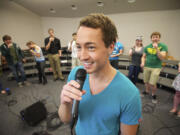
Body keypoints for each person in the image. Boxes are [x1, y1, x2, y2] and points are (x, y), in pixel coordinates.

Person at [58, 13, 141, 135]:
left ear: (111, 47)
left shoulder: (129, 93)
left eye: (91, 47)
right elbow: (65, 119)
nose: (82, 56)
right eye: (79, 47)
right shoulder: (76, 74)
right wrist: (65, 104)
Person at [141, 32, 168, 104]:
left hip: (156, 67)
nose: (155, 38)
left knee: (152, 83)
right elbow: (143, 56)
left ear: (159, 38)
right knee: (146, 81)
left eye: (157, 37)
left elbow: (162, 58)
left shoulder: (163, 46)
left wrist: (157, 49)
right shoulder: (147, 47)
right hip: (147, 66)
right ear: (151, 38)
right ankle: (147, 91)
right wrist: (143, 62)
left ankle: (153, 95)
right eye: (153, 37)